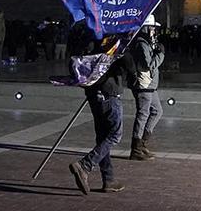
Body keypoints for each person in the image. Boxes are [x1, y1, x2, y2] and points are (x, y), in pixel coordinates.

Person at [68, 38, 136, 195]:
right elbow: (130, 66)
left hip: (93, 93)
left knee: (102, 136)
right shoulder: (115, 42)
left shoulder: (92, 36)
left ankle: (109, 179)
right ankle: (85, 165)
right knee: (114, 135)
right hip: (110, 92)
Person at [128, 15, 165, 161]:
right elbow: (148, 65)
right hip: (144, 84)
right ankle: (136, 148)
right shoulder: (141, 43)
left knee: (157, 111)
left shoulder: (146, 42)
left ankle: (142, 143)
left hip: (149, 84)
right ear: (146, 28)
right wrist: (160, 54)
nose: (154, 31)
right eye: (152, 28)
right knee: (143, 114)